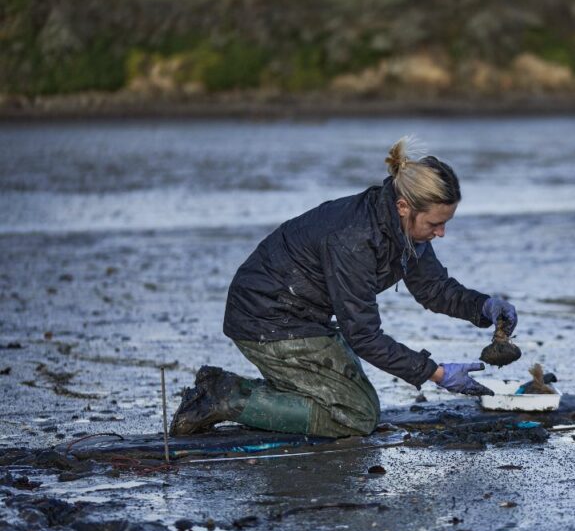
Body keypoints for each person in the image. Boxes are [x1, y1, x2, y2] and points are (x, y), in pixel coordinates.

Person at [169, 138, 517, 438]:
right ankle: (224, 397)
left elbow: (434, 289)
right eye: (436, 224)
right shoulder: (354, 239)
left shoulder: (405, 231)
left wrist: (483, 307)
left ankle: (252, 390)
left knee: (359, 401)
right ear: (403, 206)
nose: (441, 233)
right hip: (267, 319)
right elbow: (363, 335)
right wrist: (437, 374)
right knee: (357, 416)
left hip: (304, 317)